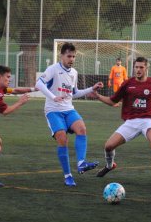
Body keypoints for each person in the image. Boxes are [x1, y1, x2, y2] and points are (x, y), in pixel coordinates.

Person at [92, 56, 151, 185]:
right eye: (136, 67)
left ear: (146, 68)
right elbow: (113, 101)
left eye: (141, 67)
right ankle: (109, 165)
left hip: (148, 120)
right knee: (108, 146)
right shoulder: (127, 84)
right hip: (131, 122)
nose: (138, 70)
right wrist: (97, 96)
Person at [35, 42, 104, 186]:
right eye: (69, 56)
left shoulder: (74, 73)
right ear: (62, 56)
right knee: (62, 139)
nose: (71, 59)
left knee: (82, 129)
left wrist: (92, 88)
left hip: (68, 109)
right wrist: (53, 97)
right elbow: (39, 84)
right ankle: (68, 175)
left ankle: (81, 163)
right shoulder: (53, 69)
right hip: (53, 110)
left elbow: (74, 93)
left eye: (73, 56)